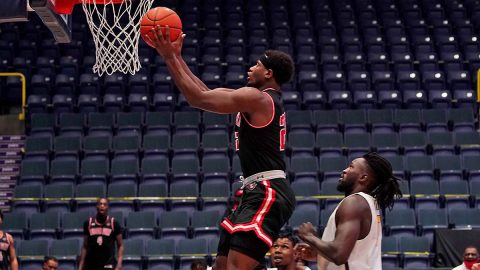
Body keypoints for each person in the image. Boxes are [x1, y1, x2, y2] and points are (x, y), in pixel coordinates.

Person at [147, 26, 296, 270]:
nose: (250, 68)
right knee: (221, 266)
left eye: (256, 65)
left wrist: (167, 56)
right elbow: (205, 91)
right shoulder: (255, 98)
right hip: (255, 189)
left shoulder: (257, 98)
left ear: (268, 73)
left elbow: (197, 99)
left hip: (268, 189)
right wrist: (177, 56)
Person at [296, 152, 403, 269]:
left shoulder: (354, 203)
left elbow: (339, 255)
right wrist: (319, 253)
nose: (344, 170)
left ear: (363, 177)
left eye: (351, 167)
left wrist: (309, 236)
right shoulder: (369, 204)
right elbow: (353, 255)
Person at [78, 198, 124, 270]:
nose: (102, 206)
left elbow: (120, 245)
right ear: (97, 206)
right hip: (91, 265)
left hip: (107, 264)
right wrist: (80, 267)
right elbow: (85, 246)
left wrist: (119, 265)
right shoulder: (88, 223)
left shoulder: (114, 223)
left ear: (108, 207)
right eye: (100, 204)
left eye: (105, 204)